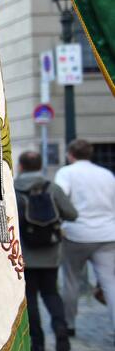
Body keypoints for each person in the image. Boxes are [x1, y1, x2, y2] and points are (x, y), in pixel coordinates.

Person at [15, 150, 77, 351]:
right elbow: (72, 214)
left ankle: (38, 343)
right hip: (50, 252)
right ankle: (61, 328)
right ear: (40, 165)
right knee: (51, 293)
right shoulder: (52, 188)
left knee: (29, 297)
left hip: (24, 254)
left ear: (21, 166)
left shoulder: (13, 188)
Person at [54, 138, 115, 339]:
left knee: (71, 280)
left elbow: (59, 199)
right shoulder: (107, 175)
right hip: (107, 234)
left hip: (76, 233)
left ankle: (69, 324)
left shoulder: (66, 173)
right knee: (110, 283)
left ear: (70, 154)